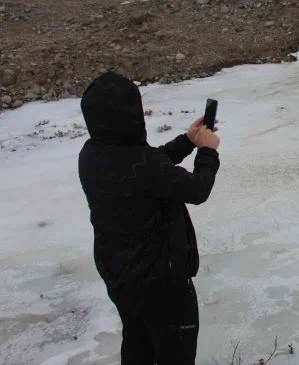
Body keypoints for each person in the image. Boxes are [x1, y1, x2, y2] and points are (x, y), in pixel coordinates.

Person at [78, 71, 220, 364]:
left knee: (137, 344)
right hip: (162, 286)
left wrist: (188, 140)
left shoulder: (92, 154)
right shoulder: (142, 165)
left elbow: (149, 169)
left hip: (120, 277)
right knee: (174, 353)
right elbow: (196, 189)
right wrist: (207, 151)